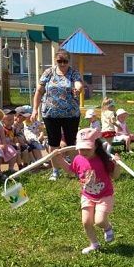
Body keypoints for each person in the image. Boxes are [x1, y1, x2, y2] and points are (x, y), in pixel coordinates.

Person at [66, 128, 121, 254]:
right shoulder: (78, 159)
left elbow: (115, 176)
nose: (84, 151)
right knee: (86, 222)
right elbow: (70, 171)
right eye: (81, 148)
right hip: (87, 195)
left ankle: (107, 227)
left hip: (104, 195)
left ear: (96, 145)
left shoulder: (104, 159)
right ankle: (94, 244)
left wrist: (117, 165)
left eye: (87, 148)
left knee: (100, 221)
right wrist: (58, 159)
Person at [32, 48, 83, 179]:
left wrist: (78, 89)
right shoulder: (48, 73)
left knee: (71, 143)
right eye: (59, 61)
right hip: (50, 114)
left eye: (65, 61)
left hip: (70, 114)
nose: (62, 64)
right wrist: (34, 109)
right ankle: (55, 171)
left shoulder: (74, 73)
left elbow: (79, 85)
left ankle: (77, 170)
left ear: (69, 61)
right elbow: (39, 91)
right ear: (55, 60)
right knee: (53, 143)